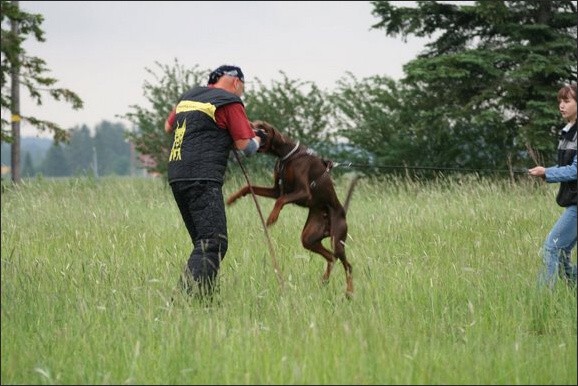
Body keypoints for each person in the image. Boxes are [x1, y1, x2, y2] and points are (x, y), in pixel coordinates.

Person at [164, 64, 264, 300]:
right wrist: (258, 139)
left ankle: (204, 302)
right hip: (203, 177)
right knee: (213, 244)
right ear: (236, 82)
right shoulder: (229, 101)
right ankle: (184, 300)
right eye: (243, 88)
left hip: (177, 175)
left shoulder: (188, 97)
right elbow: (246, 147)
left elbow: (168, 126)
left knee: (204, 244)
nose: (241, 93)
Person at [529, 82, 577, 290]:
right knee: (562, 252)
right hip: (573, 202)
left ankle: (541, 300)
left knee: (551, 247)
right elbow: (566, 166)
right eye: (560, 101)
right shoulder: (568, 132)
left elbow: (576, 171)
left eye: (567, 101)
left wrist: (547, 173)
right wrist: (545, 171)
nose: (561, 105)